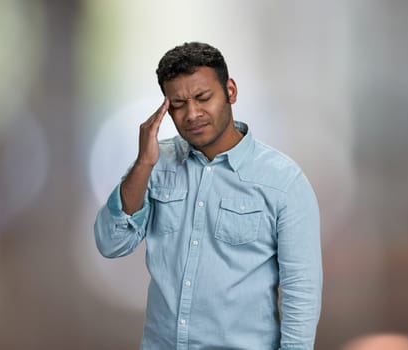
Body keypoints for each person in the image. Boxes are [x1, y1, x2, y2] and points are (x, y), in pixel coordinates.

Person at [94, 42, 322, 350]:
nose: (192, 114)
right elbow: (111, 243)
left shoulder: (283, 181)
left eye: (203, 98)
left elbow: (301, 291)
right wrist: (144, 163)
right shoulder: (154, 164)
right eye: (177, 104)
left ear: (230, 91)